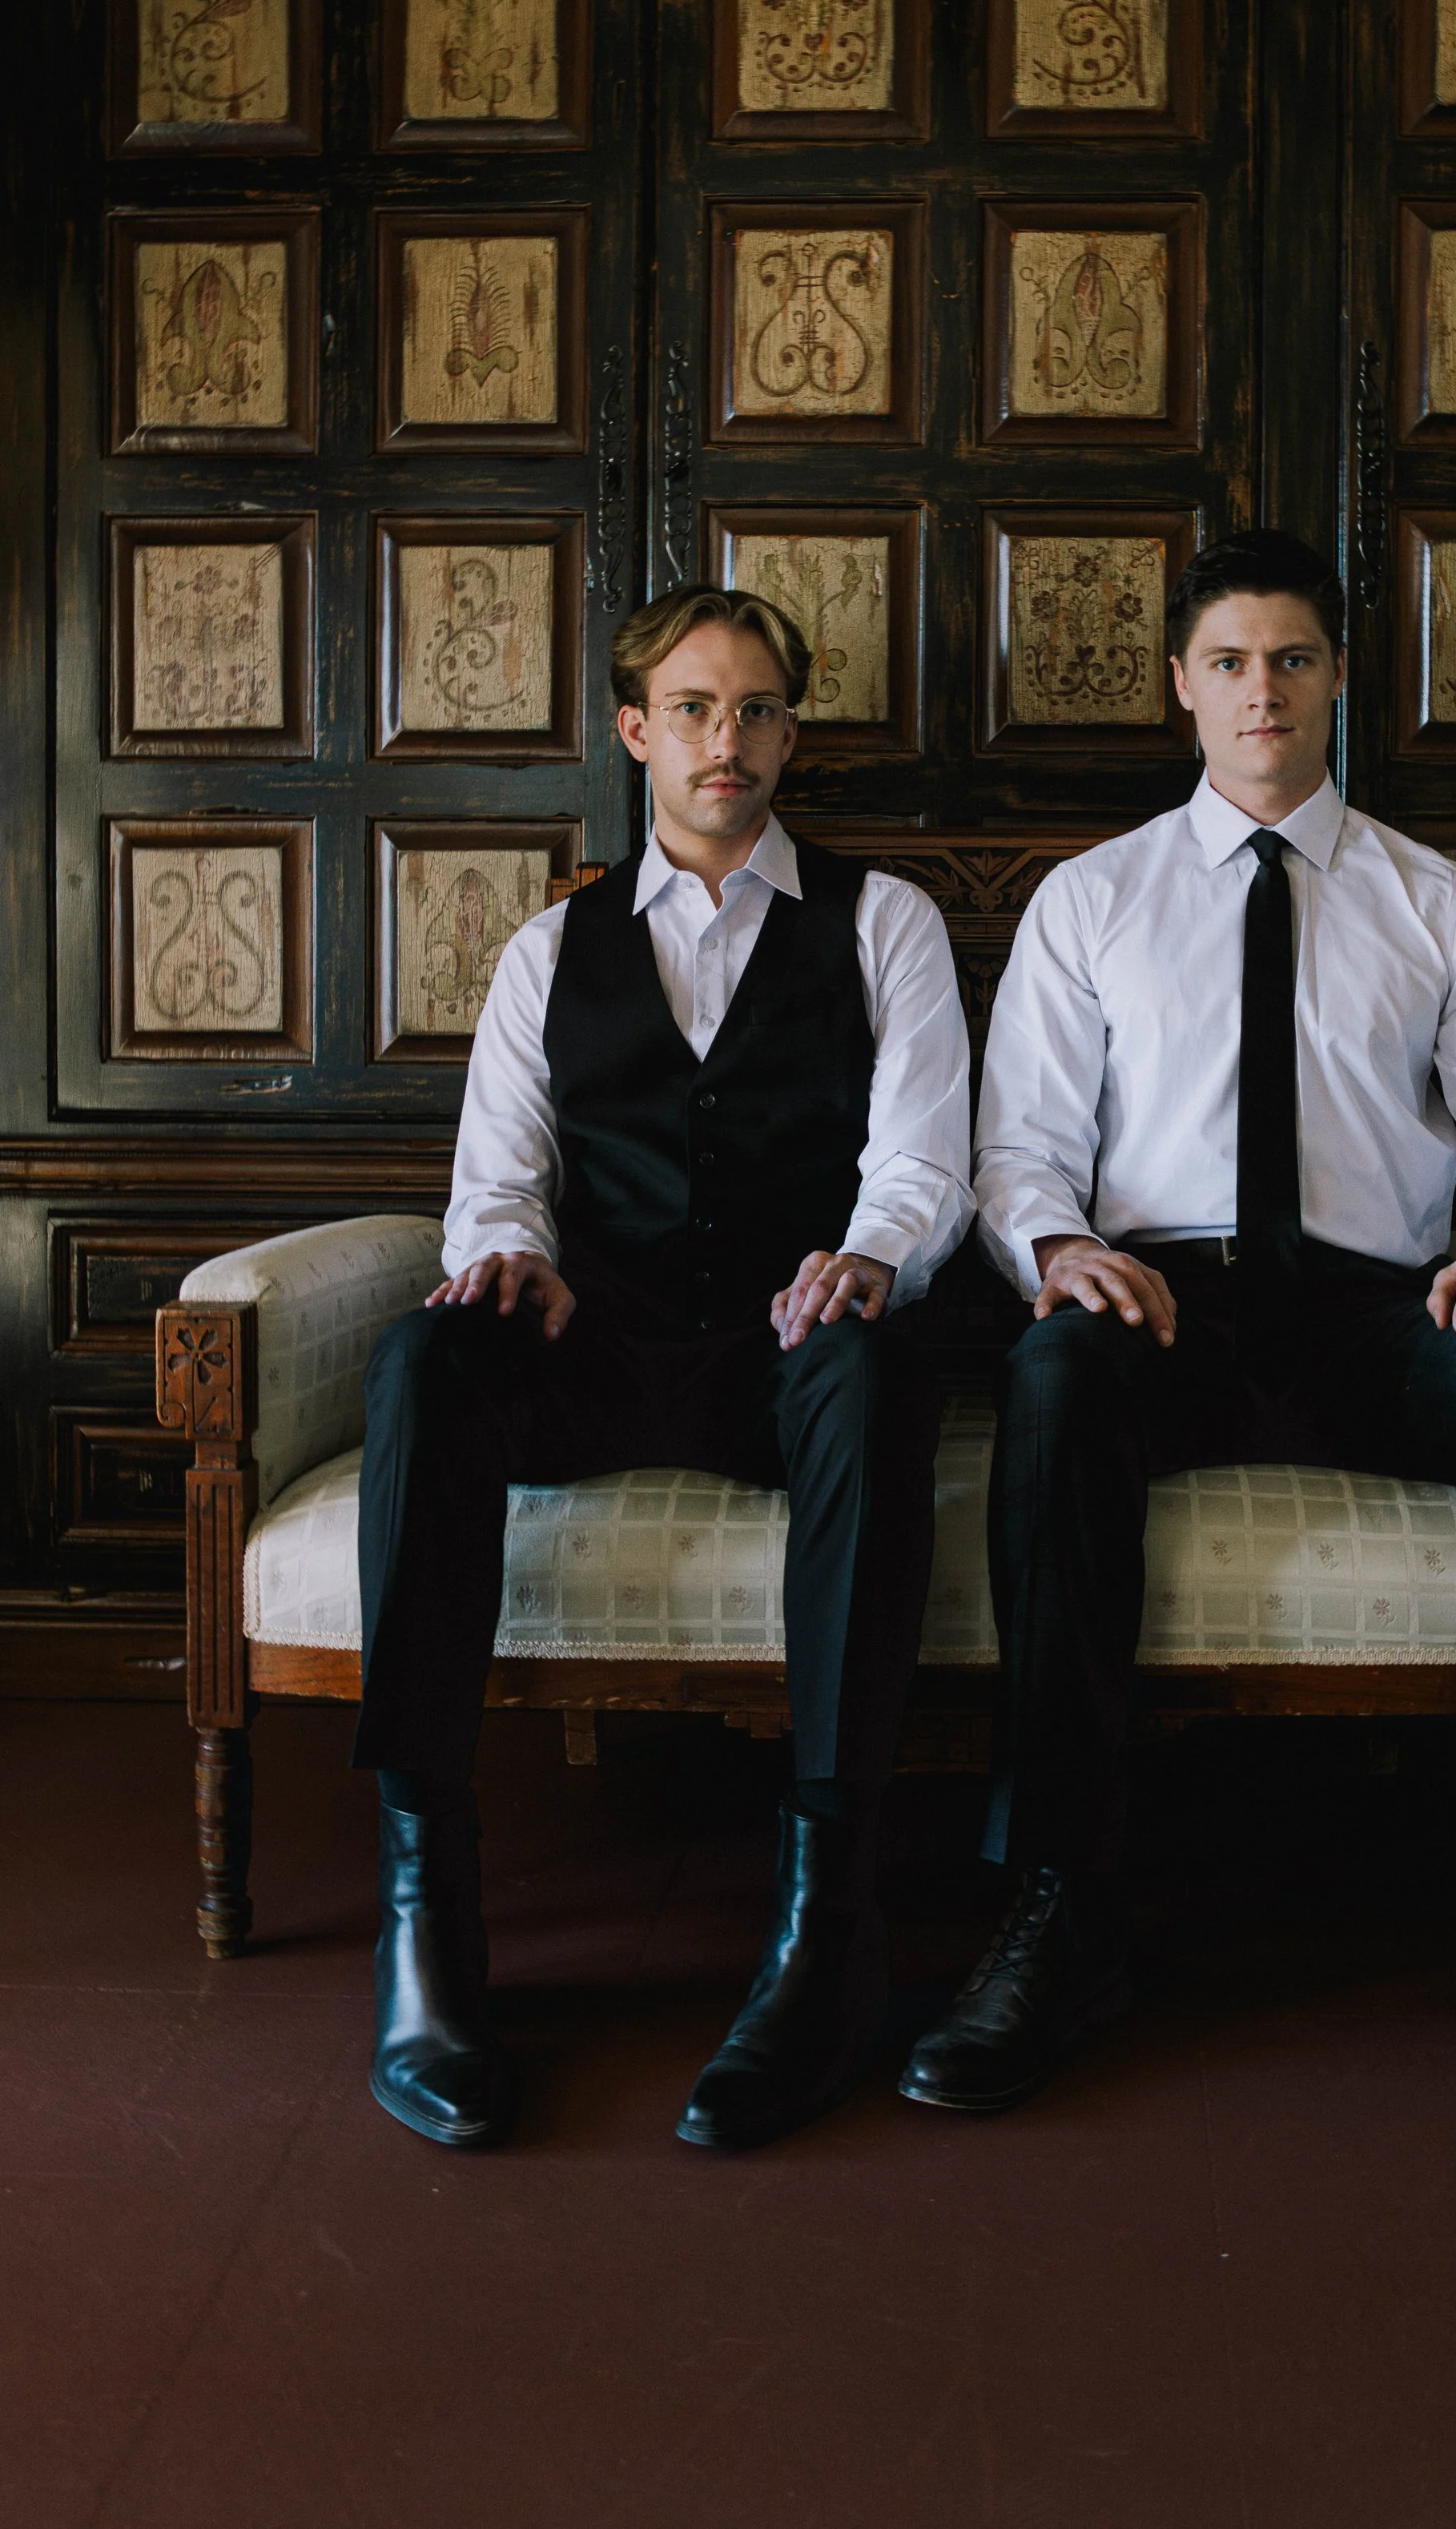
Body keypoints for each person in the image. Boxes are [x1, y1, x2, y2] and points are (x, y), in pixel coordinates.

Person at [902, 528, 1456, 2136]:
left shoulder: (1435, 903)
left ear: (1336, 676)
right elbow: (1017, 1153)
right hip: (1159, 1303)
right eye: (1225, 662)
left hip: (1378, 1309)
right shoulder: (1091, 902)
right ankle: (1059, 1903)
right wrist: (1056, 1247)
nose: (1256, 690)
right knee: (1053, 1372)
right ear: (1179, 689)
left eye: (1287, 658)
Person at [354, 582, 972, 2152]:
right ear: (636, 730)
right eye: (694, 707)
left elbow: (924, 1156)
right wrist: (511, 1251)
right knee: (427, 1359)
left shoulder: (882, 920)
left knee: (870, 1363)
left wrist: (868, 1255)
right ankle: (426, 1917)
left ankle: (828, 1919)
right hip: (606, 1336)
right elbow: (498, 1168)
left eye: (758, 707)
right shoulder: (550, 946)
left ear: (790, 732)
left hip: (785, 1348)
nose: (728, 737)